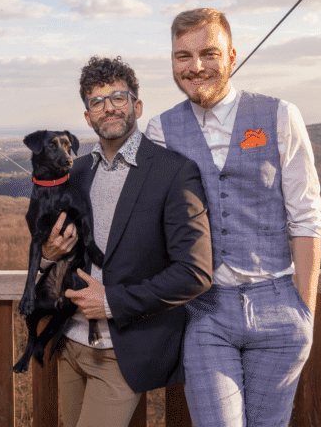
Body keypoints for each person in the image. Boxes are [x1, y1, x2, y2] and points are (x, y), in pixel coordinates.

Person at [145, 8, 321, 427]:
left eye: (208, 53)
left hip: (279, 304)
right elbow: (149, 221)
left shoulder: (280, 115)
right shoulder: (161, 129)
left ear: (231, 56)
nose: (195, 67)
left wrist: (304, 313)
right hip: (206, 310)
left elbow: (306, 218)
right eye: (182, 56)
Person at [40, 55, 213, 427]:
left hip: (122, 352)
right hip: (69, 344)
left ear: (136, 106)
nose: (108, 108)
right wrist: (47, 254)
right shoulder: (80, 171)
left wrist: (112, 302)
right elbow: (66, 249)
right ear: (88, 117)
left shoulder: (174, 172)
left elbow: (194, 273)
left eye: (118, 97)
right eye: (97, 102)